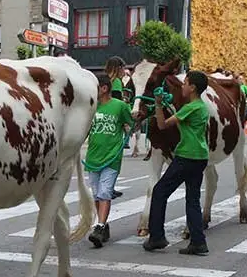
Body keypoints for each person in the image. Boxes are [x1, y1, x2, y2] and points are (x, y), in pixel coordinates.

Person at [142, 70, 211, 256]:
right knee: (193, 199)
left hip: (186, 156)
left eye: (185, 83)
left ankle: (157, 237)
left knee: (160, 191)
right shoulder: (201, 107)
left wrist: (158, 104)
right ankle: (198, 242)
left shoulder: (190, 107)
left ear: (193, 87)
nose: (182, 86)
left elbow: (163, 125)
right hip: (200, 156)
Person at [85, 74, 134, 248]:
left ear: (104, 88)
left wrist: (133, 123)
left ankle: (99, 227)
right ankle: (103, 224)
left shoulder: (120, 106)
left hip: (111, 158)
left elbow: (131, 124)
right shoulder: (91, 107)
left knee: (104, 193)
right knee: (96, 194)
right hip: (93, 158)